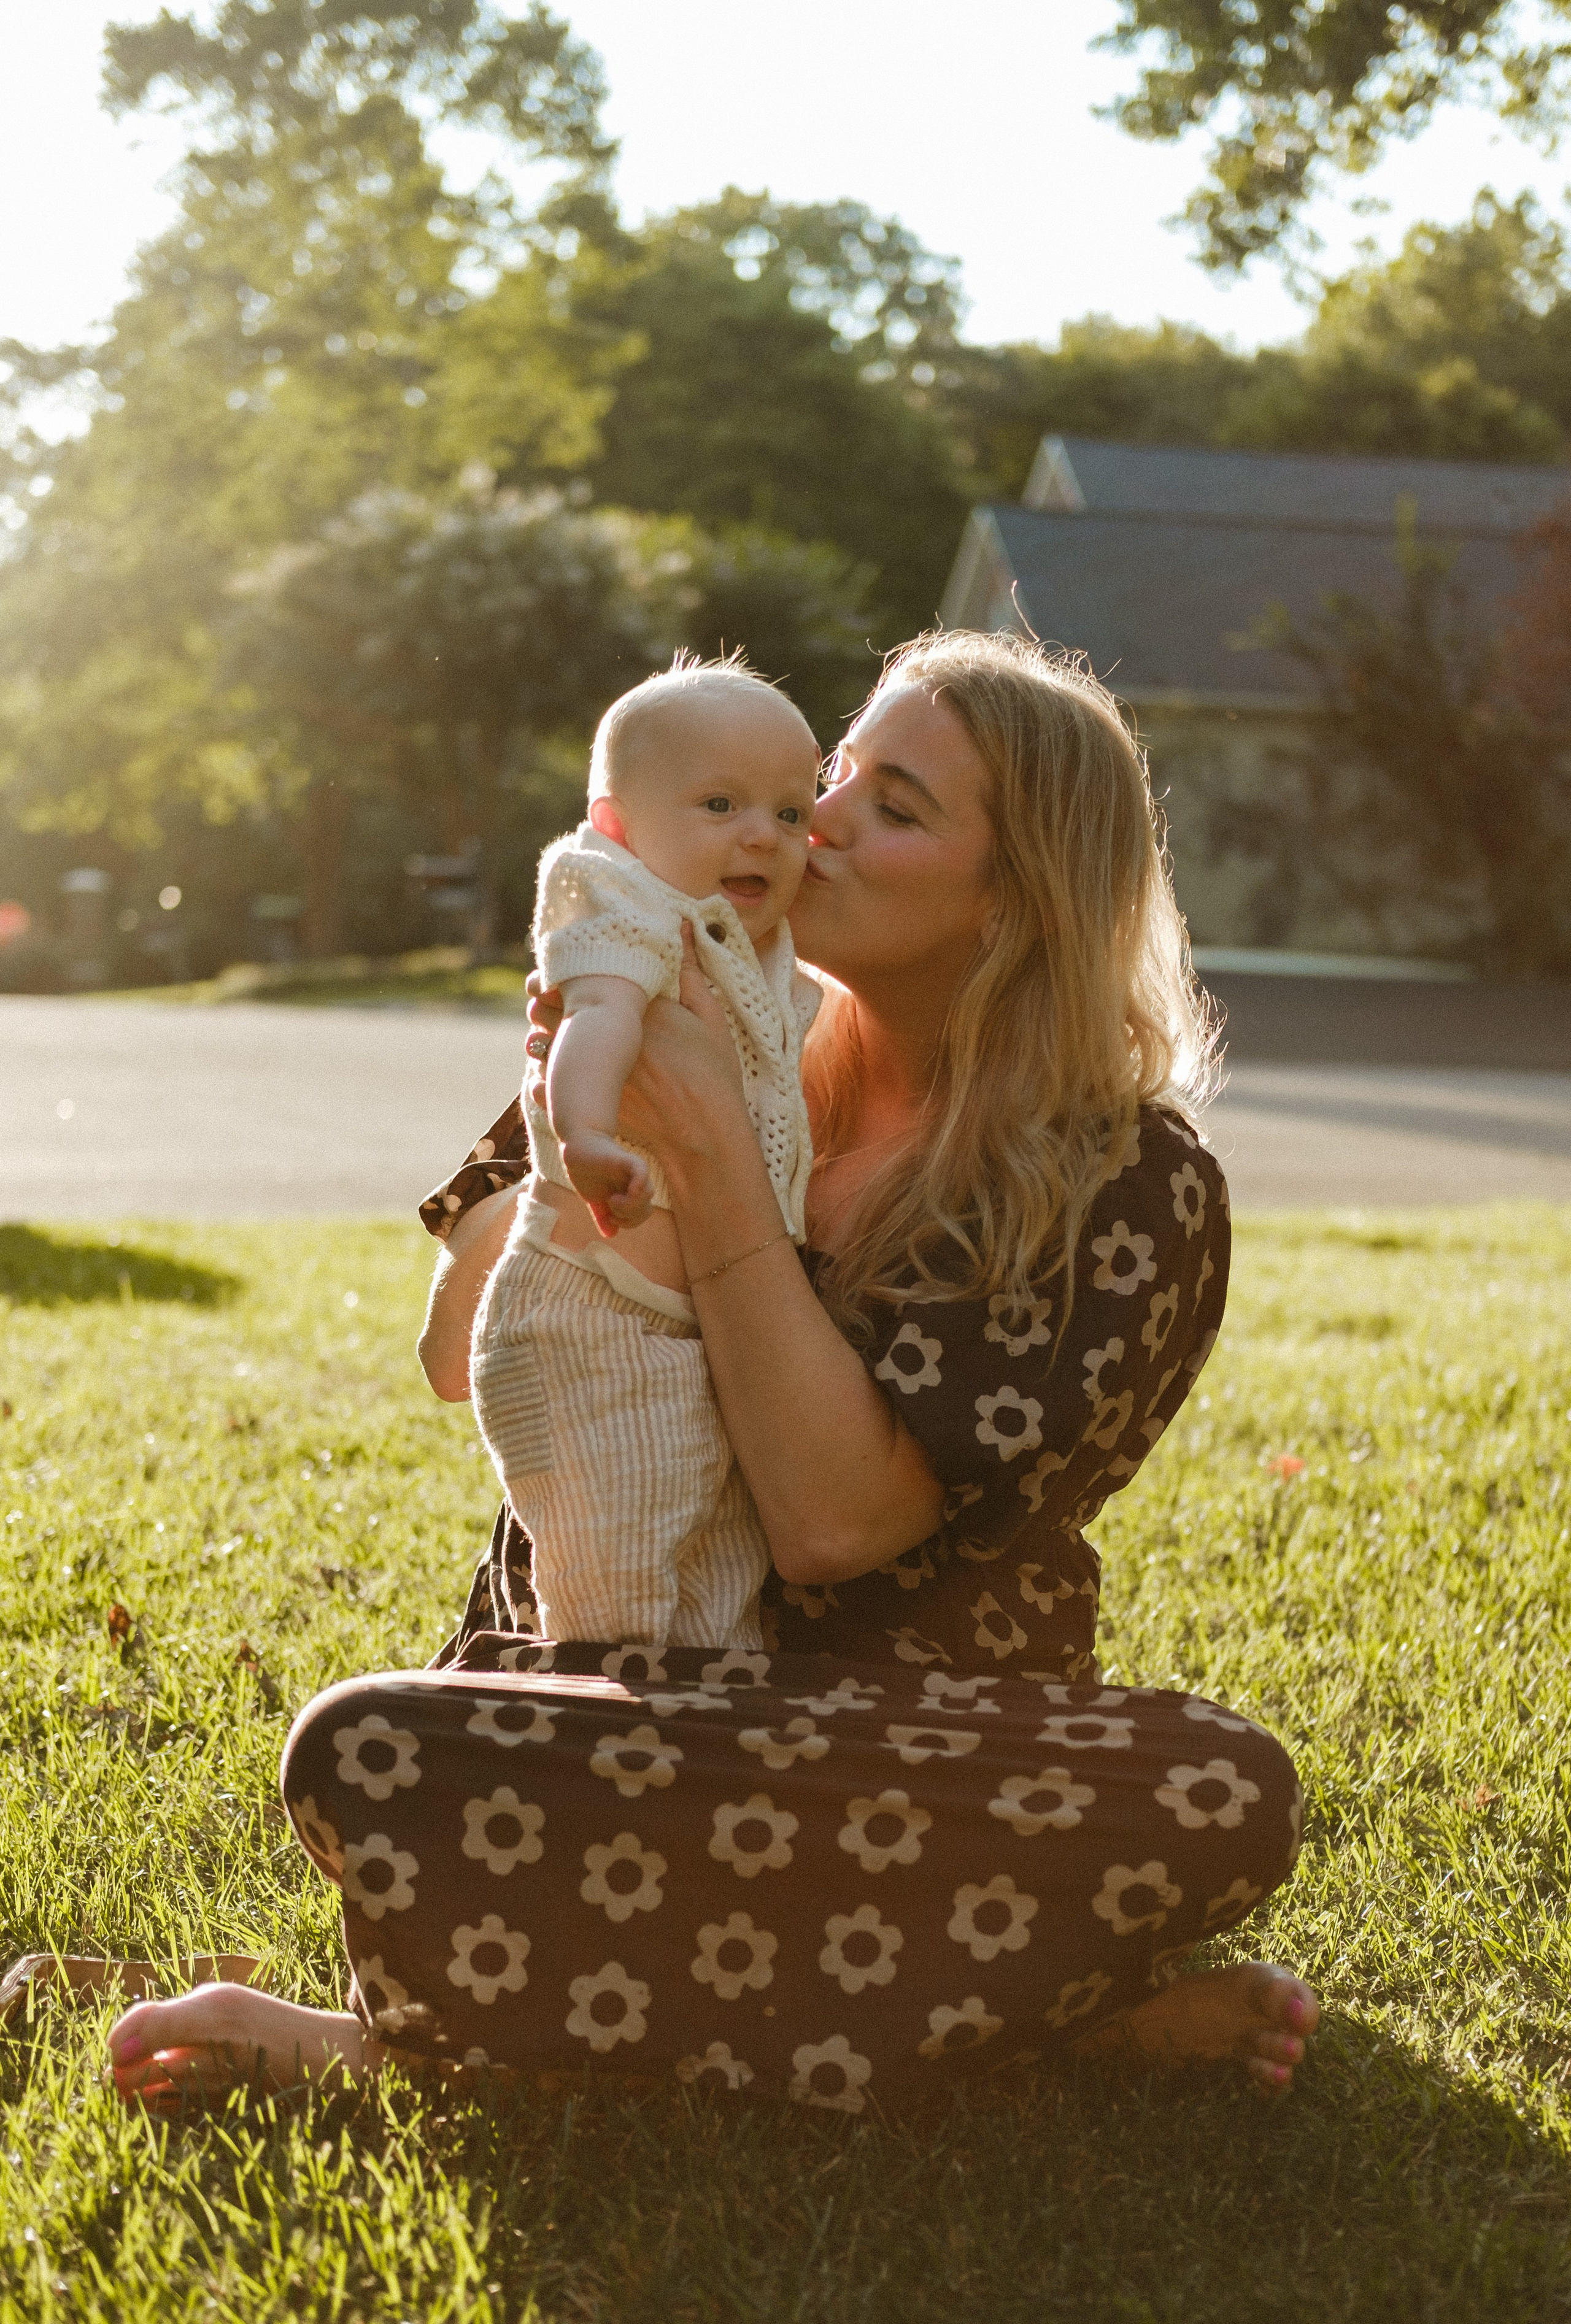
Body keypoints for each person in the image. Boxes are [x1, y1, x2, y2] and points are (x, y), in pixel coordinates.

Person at [108, 631, 1319, 2118]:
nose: (813, 827)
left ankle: (448, 2028)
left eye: (896, 808)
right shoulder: (680, 1007)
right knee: (369, 1748)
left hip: (876, 1766)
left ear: (1015, 895)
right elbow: (449, 1359)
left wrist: (724, 1186)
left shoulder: (1125, 1186)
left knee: (1220, 1789)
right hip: (603, 1704)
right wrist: (578, 1117)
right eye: (832, 778)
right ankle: (1023, 2023)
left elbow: (832, 1527)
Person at [471, 653, 821, 1650]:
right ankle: (590, 1749)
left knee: (717, 1587)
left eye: (792, 813)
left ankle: (701, 1759)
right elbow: (596, 1020)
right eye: (720, 803)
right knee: (615, 1591)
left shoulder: (748, 941)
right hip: (591, 1319)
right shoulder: (621, 904)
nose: (763, 833)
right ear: (618, 823)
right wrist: (581, 1133)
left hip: (683, 1333)